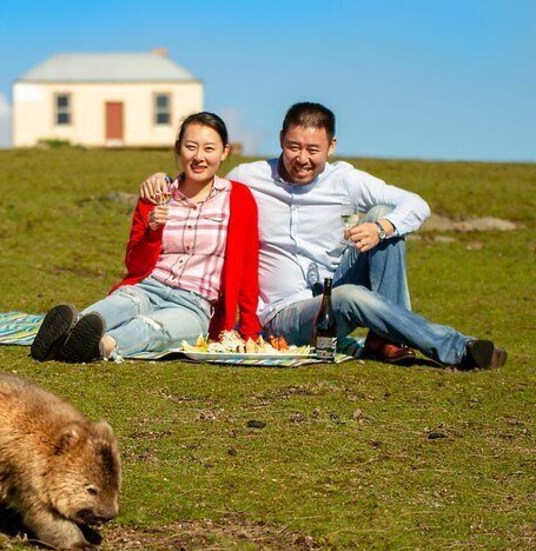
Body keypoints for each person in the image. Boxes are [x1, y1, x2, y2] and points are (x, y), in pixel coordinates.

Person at [139, 102, 506, 370]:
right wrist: (163, 180)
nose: (302, 158)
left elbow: (415, 204)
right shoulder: (249, 178)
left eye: (313, 150)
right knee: (347, 297)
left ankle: (388, 339)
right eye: (293, 147)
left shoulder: (345, 179)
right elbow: (201, 182)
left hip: (334, 282)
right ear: (281, 139)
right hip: (284, 312)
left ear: (331, 146)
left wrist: (381, 228)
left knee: (383, 217)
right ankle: (458, 348)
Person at [30, 112, 260, 363]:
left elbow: (248, 267)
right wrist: (152, 231)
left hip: (193, 305)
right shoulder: (157, 194)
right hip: (148, 287)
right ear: (178, 148)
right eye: (191, 147)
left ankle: (99, 346)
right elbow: (135, 264)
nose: (199, 157)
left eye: (209, 148)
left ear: (224, 152)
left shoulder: (239, 198)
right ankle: (67, 331)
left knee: (151, 327)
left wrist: (249, 331)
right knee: (117, 305)